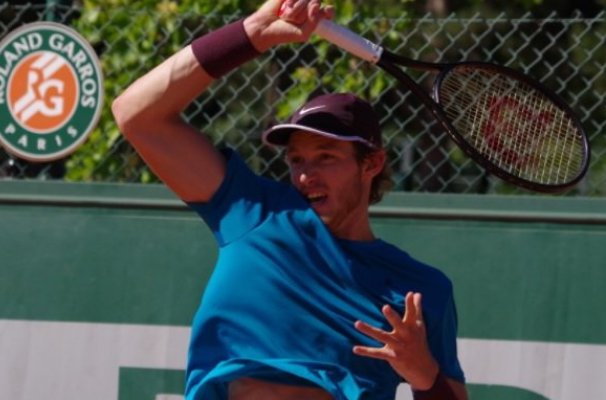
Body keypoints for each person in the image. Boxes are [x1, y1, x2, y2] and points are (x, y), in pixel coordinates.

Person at [112, 0, 469, 399]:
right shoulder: (256, 212)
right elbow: (136, 115)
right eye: (296, 159)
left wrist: (424, 375)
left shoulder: (419, 291)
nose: (304, 174)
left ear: (372, 164)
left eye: (325, 158)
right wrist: (252, 33)